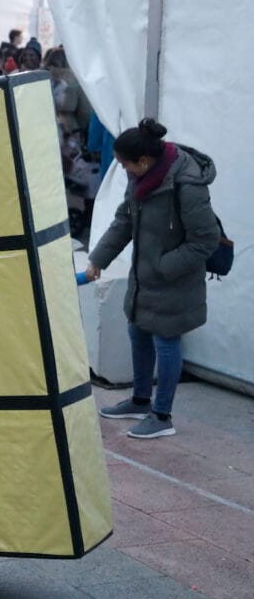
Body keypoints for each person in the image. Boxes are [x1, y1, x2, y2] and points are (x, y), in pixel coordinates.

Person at [86, 118, 219, 439]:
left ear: (144, 161)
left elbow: (206, 240)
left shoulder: (186, 184)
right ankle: (140, 400)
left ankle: (162, 416)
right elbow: (123, 221)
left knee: (166, 341)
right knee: (138, 331)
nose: (123, 170)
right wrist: (98, 259)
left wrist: (164, 266)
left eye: (125, 164)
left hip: (173, 279)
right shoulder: (142, 179)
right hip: (147, 277)